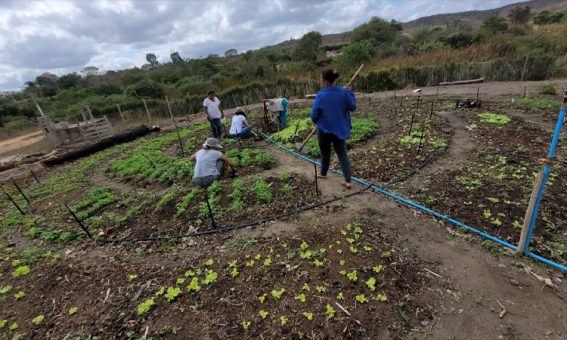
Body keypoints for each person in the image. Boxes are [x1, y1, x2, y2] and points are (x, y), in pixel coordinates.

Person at [310, 69, 356, 189]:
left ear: (325, 81)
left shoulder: (321, 94)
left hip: (324, 131)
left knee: (325, 153)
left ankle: (323, 173)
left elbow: (314, 115)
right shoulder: (343, 92)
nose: (320, 81)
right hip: (339, 130)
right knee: (342, 153)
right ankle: (348, 181)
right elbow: (352, 107)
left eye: (321, 79)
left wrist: (320, 122)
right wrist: (350, 92)